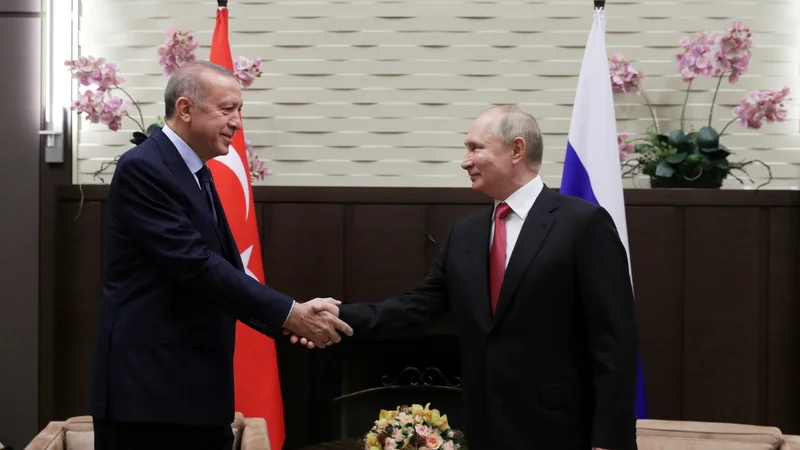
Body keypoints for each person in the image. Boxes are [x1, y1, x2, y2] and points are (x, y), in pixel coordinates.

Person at [290, 105, 639, 450]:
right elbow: (417, 307)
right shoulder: (466, 234)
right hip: (484, 426)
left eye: (475, 148)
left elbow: (614, 342)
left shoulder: (582, 224)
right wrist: (336, 317)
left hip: (561, 431)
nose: (465, 160)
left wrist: (610, 439)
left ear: (517, 149)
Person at [90, 60, 352, 450]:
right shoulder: (144, 167)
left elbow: (225, 270)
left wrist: (287, 318)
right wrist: (290, 313)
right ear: (185, 109)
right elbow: (195, 265)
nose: (237, 123)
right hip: (150, 396)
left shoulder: (196, 170)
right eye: (227, 110)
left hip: (193, 391)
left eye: (239, 111)